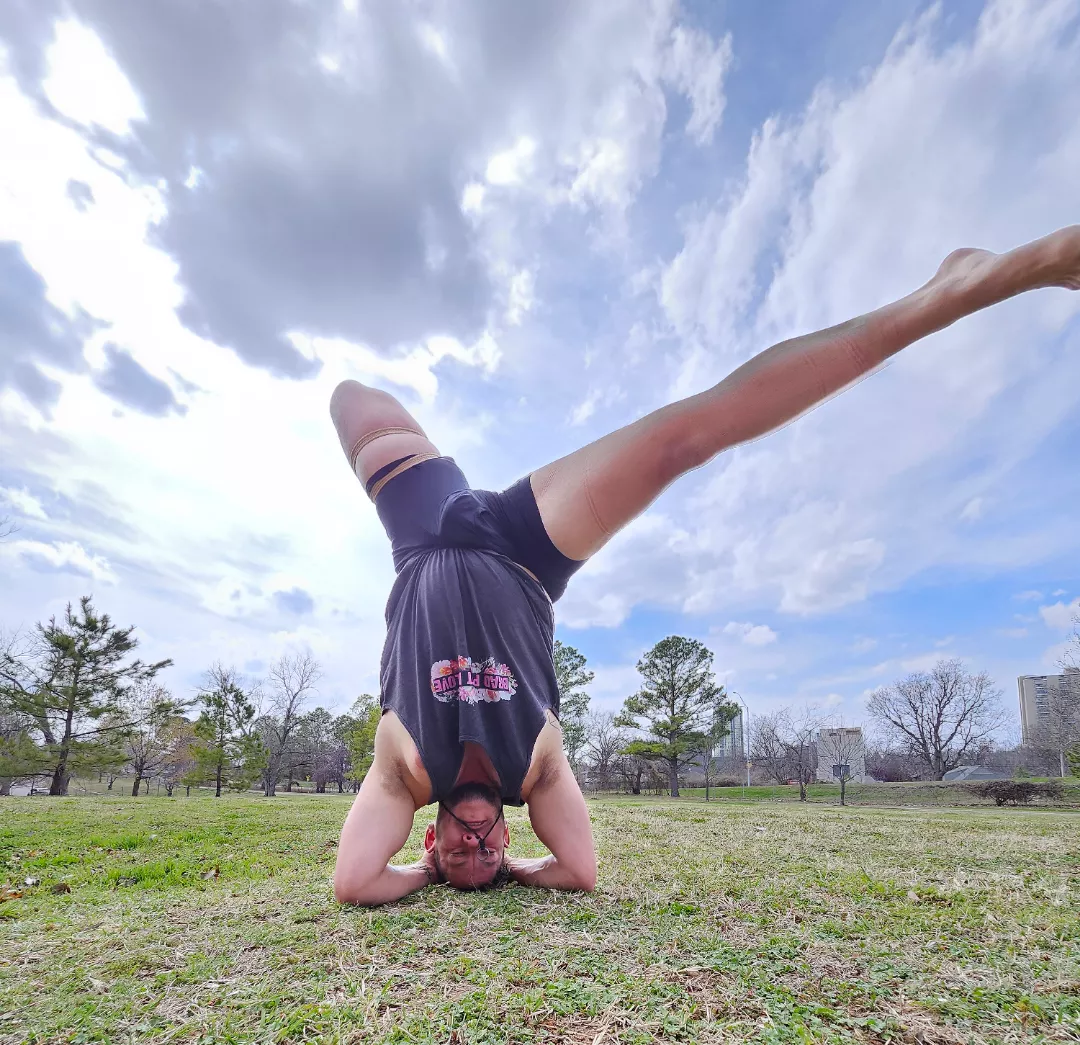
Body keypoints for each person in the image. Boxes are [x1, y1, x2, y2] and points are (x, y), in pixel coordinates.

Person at [331, 224, 1079, 904]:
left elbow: (356, 880)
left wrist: (424, 875)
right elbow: (580, 871)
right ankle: (959, 287)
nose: (476, 842)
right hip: (524, 551)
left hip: (424, 535)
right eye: (488, 853)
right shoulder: (537, 771)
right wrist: (520, 870)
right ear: (507, 836)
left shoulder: (403, 770)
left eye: (457, 851)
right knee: (683, 439)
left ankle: (443, 480)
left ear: (428, 837)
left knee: (349, 399)